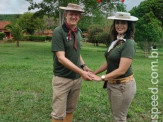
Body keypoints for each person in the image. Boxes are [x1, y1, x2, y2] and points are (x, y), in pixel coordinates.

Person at [92, 12, 138, 122]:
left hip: (122, 86)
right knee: (116, 115)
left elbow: (122, 69)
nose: (120, 25)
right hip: (112, 84)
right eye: (117, 22)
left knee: (119, 118)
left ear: (129, 25)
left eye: (123, 23)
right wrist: (94, 73)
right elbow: (109, 62)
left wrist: (102, 77)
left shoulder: (129, 44)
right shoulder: (116, 41)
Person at [51, 3, 93, 122]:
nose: (74, 17)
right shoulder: (58, 32)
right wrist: (82, 72)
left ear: (80, 17)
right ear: (65, 15)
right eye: (71, 14)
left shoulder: (78, 32)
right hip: (62, 79)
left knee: (70, 110)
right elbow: (61, 58)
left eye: (77, 14)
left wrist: (83, 66)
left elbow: (76, 52)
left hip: (76, 79)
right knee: (58, 114)